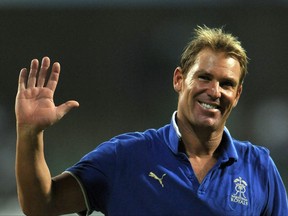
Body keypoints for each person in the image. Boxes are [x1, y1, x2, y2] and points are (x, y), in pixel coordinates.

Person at [15, 26, 288, 216]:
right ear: (179, 79)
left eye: (226, 84)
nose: (215, 91)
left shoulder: (259, 167)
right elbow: (41, 204)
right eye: (204, 77)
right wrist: (29, 133)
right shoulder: (126, 156)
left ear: (237, 94)